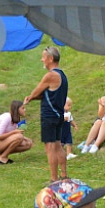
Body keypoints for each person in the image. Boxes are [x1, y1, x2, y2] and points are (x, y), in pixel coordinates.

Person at [25, 45, 69, 181]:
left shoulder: (50, 75)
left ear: (50, 59)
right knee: (58, 145)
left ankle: (53, 179)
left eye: (43, 57)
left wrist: (29, 98)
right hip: (59, 114)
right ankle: (64, 175)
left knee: (50, 147)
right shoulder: (63, 75)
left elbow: (36, 92)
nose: (41, 60)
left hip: (49, 116)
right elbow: (48, 94)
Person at [0, 100, 33, 165]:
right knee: (19, 137)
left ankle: (1, 155)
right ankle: (3, 157)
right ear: (17, 109)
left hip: (2, 142)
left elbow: (12, 135)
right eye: (23, 108)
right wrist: (15, 132)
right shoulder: (7, 117)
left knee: (28, 144)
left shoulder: (15, 119)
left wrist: (26, 139)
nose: (25, 110)